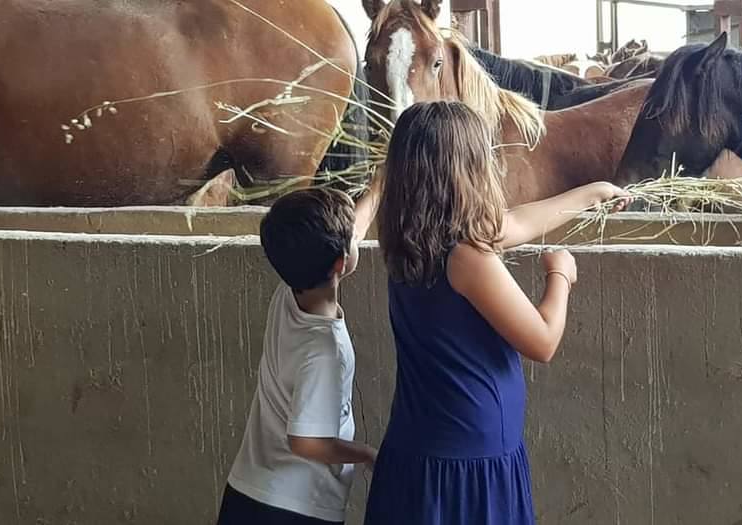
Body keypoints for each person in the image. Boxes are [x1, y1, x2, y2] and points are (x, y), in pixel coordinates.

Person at [362, 101, 629, 524]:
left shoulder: (408, 240)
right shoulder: (469, 259)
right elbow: (542, 341)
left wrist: (591, 193)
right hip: (470, 458)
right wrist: (560, 276)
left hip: (420, 444)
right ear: (465, 170)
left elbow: (515, 221)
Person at [218, 187, 379, 525]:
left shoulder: (291, 290)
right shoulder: (324, 349)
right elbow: (306, 442)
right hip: (295, 507)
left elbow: (346, 239)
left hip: (247, 489)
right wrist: (367, 454)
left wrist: (379, 187)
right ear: (341, 262)